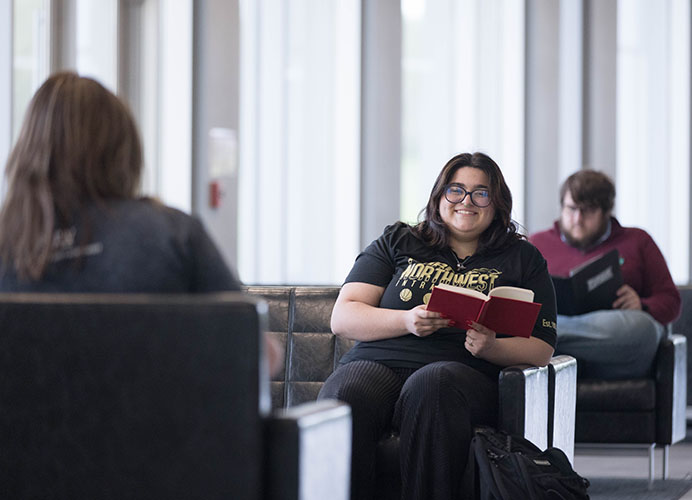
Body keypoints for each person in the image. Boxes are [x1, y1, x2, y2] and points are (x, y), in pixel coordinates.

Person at [0, 71, 281, 373]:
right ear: (122, 149)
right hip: (157, 420)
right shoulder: (171, 234)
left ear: (28, 152)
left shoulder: (8, 245)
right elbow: (261, 355)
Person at [318, 152, 557, 500]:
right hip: (380, 361)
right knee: (347, 394)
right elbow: (343, 317)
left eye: (481, 193)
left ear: (497, 202)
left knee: (432, 384)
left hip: (463, 373)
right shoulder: (399, 241)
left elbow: (542, 347)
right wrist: (406, 319)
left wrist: (493, 347)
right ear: (439, 196)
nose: (466, 201)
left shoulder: (523, 258)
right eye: (456, 190)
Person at [529, 170, 681, 380]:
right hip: (552, 360)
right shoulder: (536, 244)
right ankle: (550, 338)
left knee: (643, 328)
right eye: (571, 209)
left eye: (588, 211)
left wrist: (642, 305)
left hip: (613, 356)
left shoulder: (638, 241)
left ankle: (547, 336)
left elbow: (671, 302)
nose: (577, 219)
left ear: (606, 211)